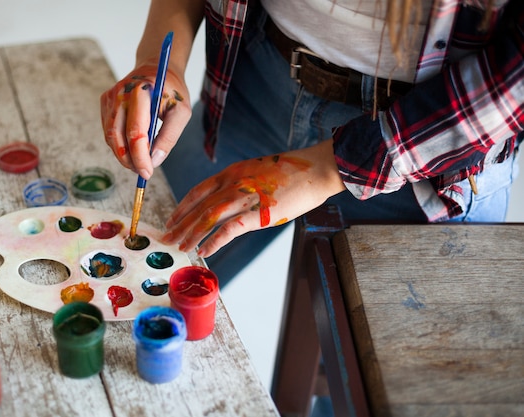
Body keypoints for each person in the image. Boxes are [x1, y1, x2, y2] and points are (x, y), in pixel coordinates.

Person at [101, 0, 524, 288]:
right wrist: (160, 64)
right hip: (256, 90)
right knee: (130, 286)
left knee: (355, 389)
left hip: (426, 157)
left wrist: (330, 166)